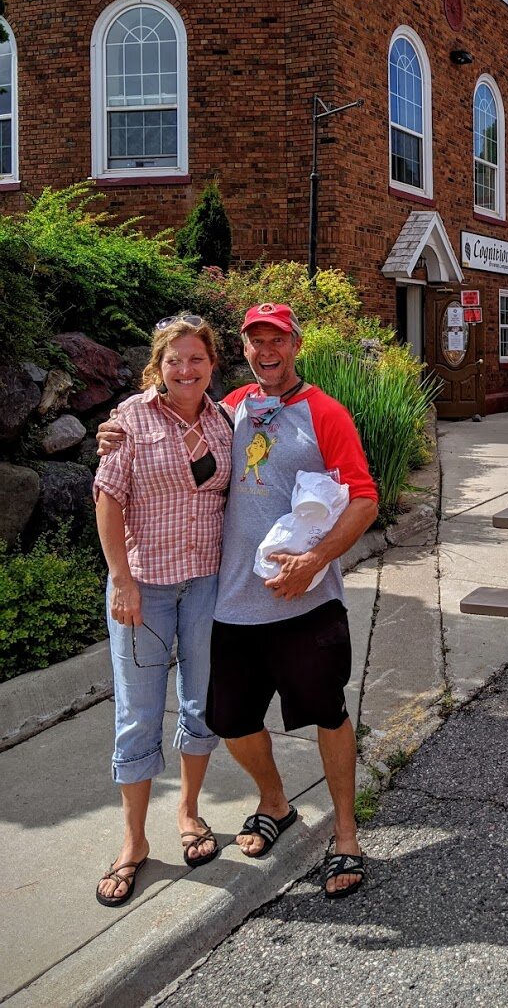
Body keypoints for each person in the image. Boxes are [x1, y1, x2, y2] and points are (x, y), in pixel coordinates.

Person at [99, 302, 379, 900]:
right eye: (256, 342)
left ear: (295, 345)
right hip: (231, 607)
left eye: (276, 340)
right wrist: (114, 429)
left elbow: (363, 499)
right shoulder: (229, 410)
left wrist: (315, 560)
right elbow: (164, 431)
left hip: (306, 603)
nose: (267, 351)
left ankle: (347, 836)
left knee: (326, 712)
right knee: (228, 719)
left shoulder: (325, 413)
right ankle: (275, 803)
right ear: (245, 351)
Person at [93, 315, 233, 906]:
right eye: (174, 360)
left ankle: (189, 813)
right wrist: (121, 578)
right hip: (143, 588)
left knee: (201, 703)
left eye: (196, 358)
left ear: (212, 363)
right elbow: (107, 497)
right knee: (138, 712)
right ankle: (133, 843)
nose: (185, 369)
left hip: (205, 585)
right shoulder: (129, 418)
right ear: (159, 364)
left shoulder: (226, 419)